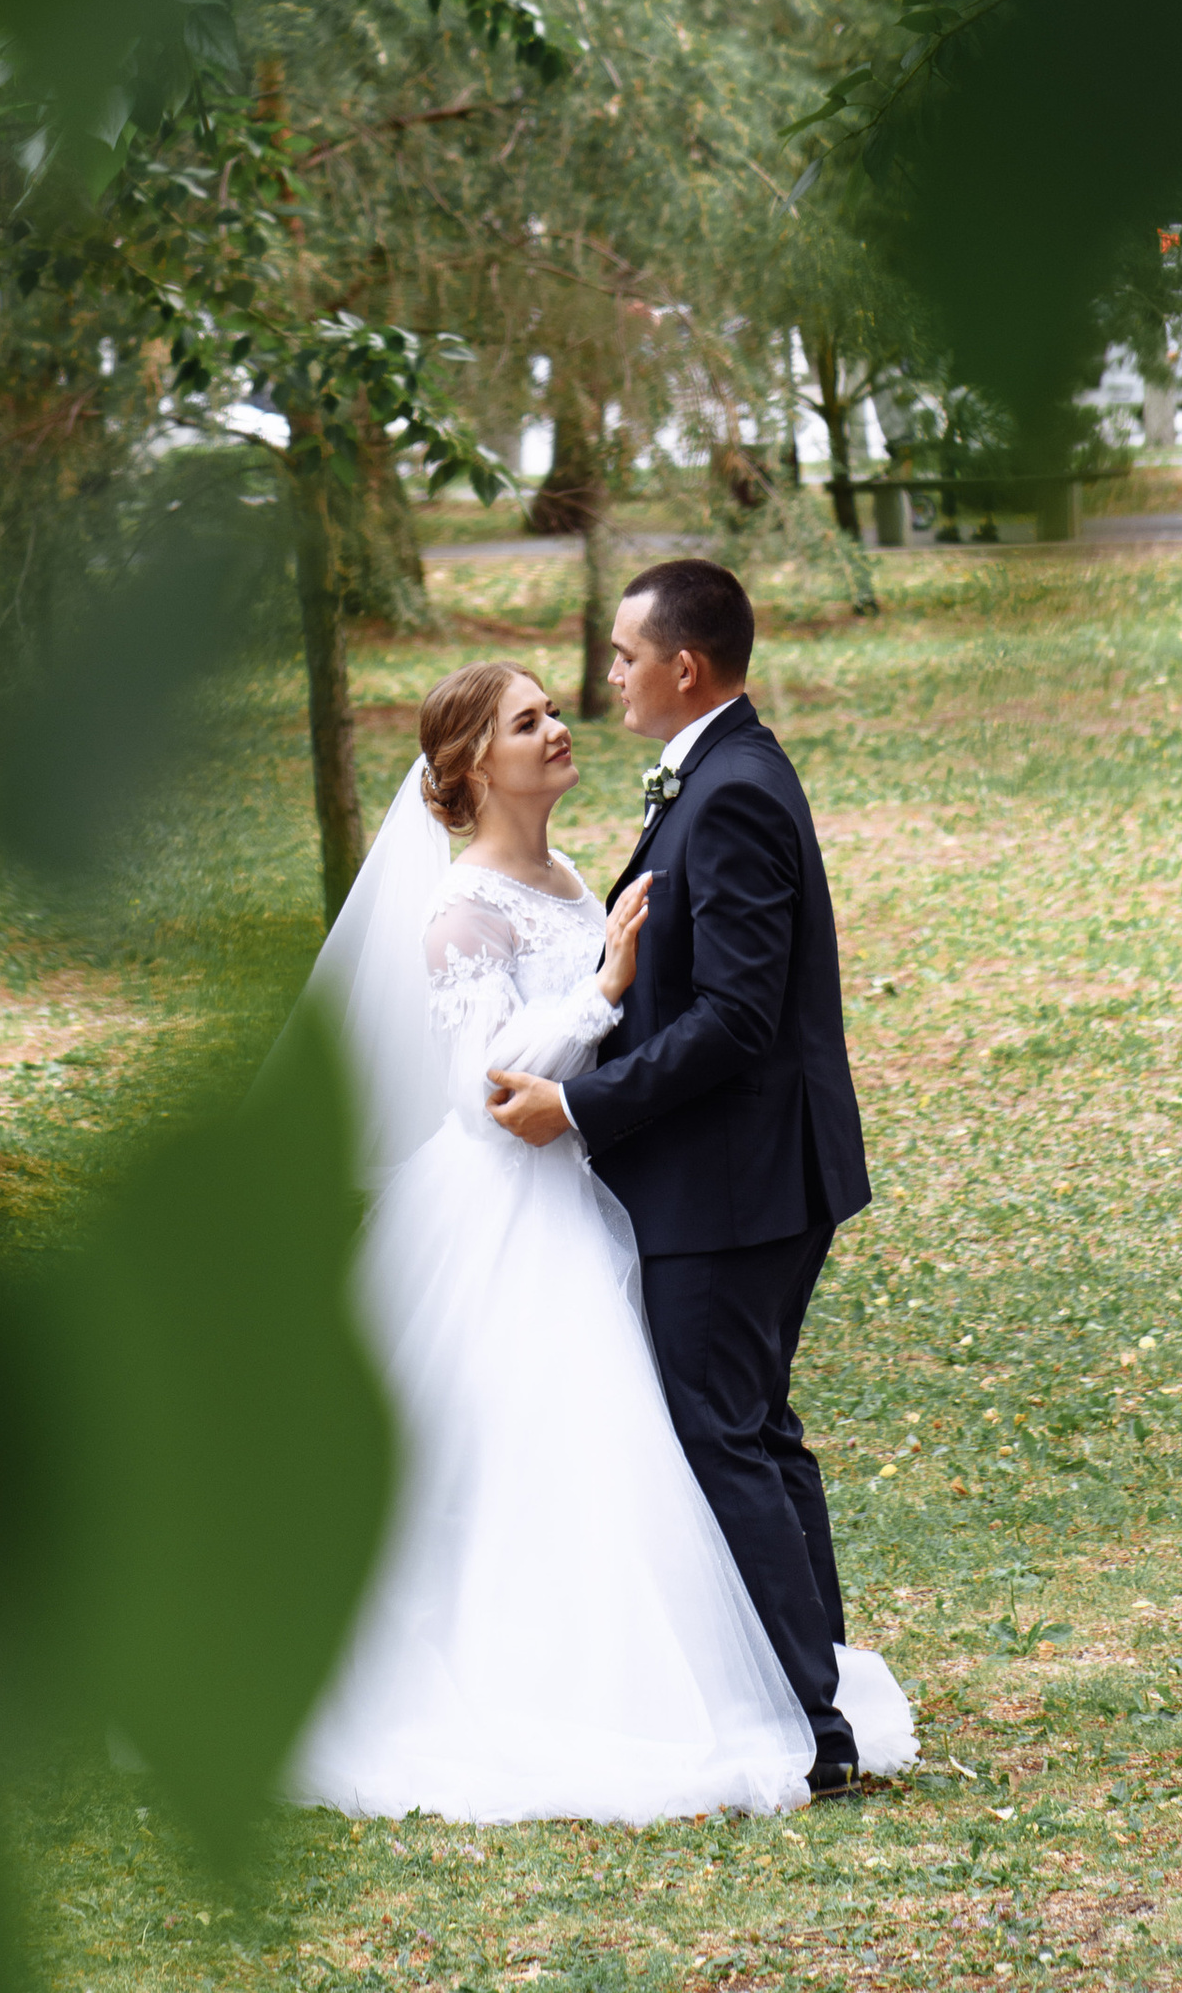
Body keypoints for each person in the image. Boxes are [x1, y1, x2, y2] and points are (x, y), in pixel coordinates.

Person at [288, 650, 912, 1823]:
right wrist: (600, 989)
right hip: (516, 1216)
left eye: (553, 709)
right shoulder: (457, 911)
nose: (558, 728)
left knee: (677, 1436)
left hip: (615, 1187)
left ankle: (765, 1676)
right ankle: (574, 1691)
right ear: (474, 764)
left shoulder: (574, 873)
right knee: (562, 1447)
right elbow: (488, 1098)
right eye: (528, 723)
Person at [486, 556, 872, 1792]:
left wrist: (579, 1105)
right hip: (746, 1173)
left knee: (726, 1433)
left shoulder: (737, 790)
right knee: (757, 1429)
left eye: (618, 657)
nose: (606, 678)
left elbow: (737, 1019)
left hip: (737, 1179)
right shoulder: (719, 774)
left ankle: (812, 1729)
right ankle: (821, 1689)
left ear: (683, 667)